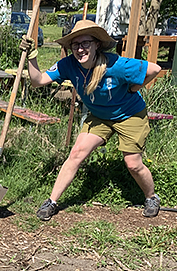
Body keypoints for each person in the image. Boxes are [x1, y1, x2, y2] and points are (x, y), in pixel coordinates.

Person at [19, 20, 162, 221]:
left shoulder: (116, 65)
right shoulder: (68, 65)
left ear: (97, 44)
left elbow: (154, 69)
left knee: (133, 164)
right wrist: (32, 57)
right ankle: (51, 202)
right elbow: (38, 81)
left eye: (85, 43)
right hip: (99, 116)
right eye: (75, 45)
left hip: (129, 114)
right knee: (77, 152)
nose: (80, 49)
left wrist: (134, 88)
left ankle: (151, 197)